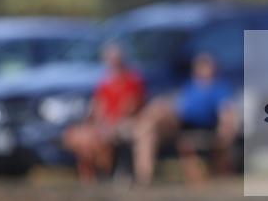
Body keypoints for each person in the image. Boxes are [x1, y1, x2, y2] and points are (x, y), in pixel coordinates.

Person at [132, 53, 237, 185]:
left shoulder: (219, 88)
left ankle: (140, 127)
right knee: (150, 124)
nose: (203, 69)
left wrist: (225, 131)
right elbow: (179, 106)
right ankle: (144, 177)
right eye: (200, 65)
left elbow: (226, 111)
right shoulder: (189, 86)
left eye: (206, 65)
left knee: (155, 110)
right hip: (179, 121)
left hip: (197, 124)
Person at [62, 43, 144, 183]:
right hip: (105, 124)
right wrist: (98, 123)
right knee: (82, 138)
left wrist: (108, 124)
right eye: (109, 59)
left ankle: (105, 173)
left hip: (124, 123)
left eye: (115, 59)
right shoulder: (105, 83)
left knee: (101, 137)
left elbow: (130, 108)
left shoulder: (132, 81)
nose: (112, 63)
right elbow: (98, 108)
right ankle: (90, 176)